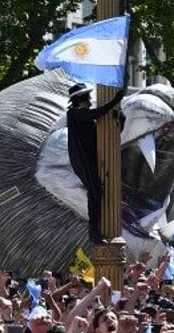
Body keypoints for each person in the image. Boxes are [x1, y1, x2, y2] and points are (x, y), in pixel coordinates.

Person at [66, 83, 125, 244]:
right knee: (95, 191)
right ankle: (93, 230)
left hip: (93, 157)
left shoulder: (83, 115)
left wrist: (120, 118)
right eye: (88, 98)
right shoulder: (73, 114)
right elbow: (96, 113)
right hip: (83, 159)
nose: (91, 100)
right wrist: (114, 101)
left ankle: (95, 229)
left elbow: (104, 136)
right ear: (80, 100)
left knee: (97, 191)